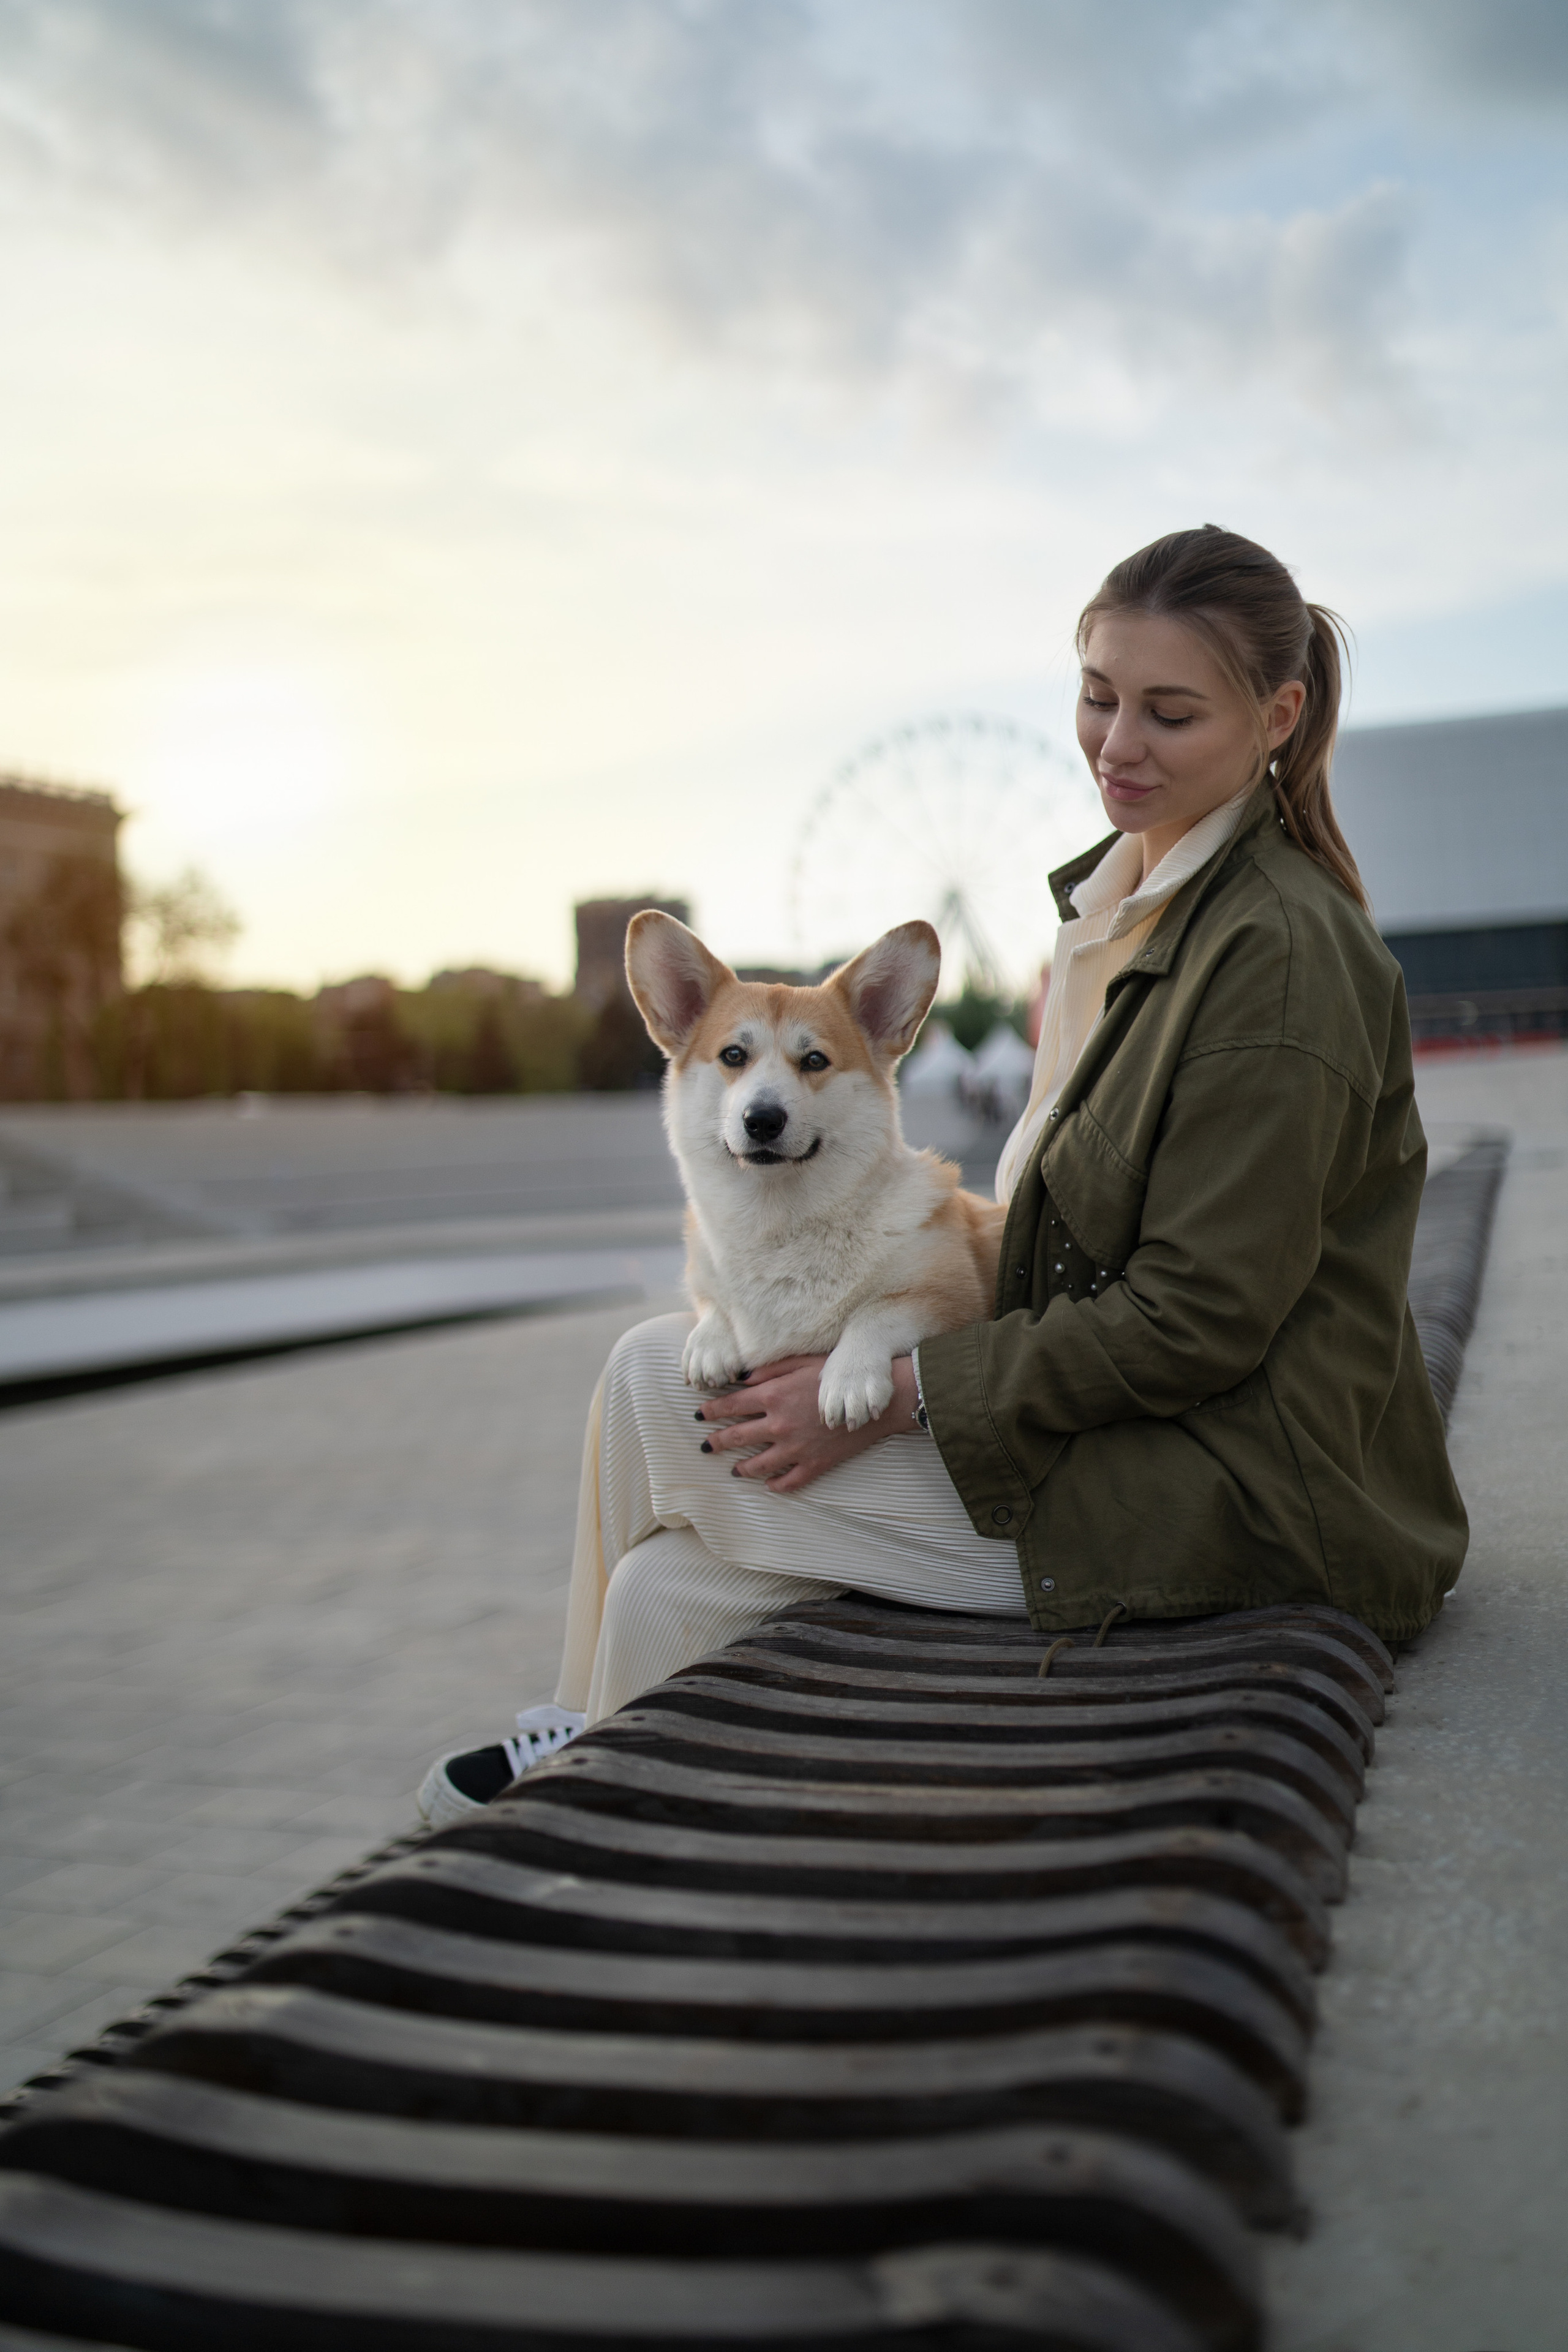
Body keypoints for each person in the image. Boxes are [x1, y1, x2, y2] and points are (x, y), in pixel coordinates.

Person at [420, 523, 1467, 1827]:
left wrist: (901, 1391)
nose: (1116, 744)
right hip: (1130, 1442)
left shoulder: (1272, 958)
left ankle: (572, 1768)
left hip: (1242, 1497)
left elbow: (1200, 1318)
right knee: (656, 1594)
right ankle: (587, 1798)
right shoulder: (1129, 916)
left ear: (1277, 714)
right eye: (1096, 698)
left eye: (1169, 712)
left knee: (649, 1385)